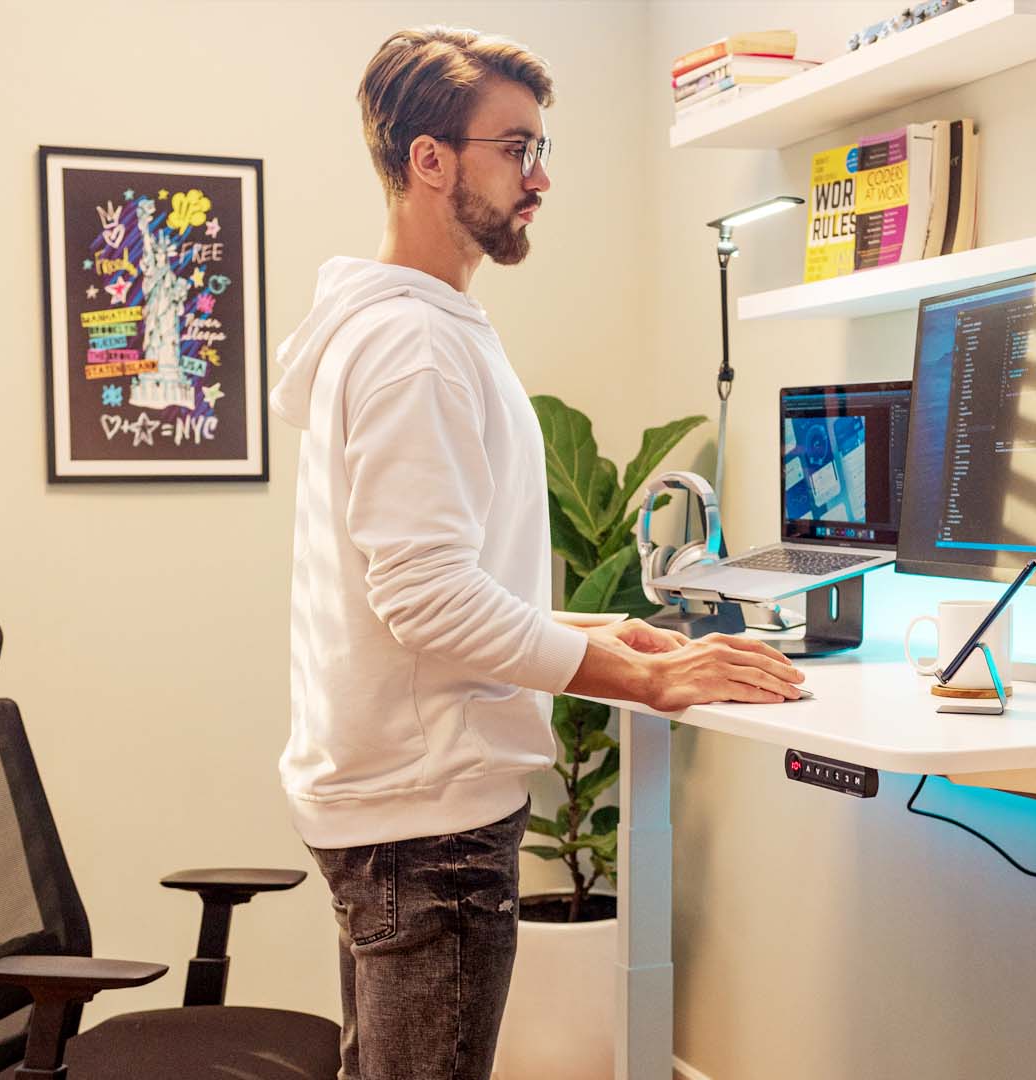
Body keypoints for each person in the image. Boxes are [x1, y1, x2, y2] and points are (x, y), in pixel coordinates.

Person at [267, 25, 804, 1080]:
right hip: (428, 829)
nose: (541, 176)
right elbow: (427, 600)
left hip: (396, 805)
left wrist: (603, 628)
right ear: (431, 159)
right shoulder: (411, 343)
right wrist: (644, 674)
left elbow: (428, 593)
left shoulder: (416, 324)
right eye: (517, 148)